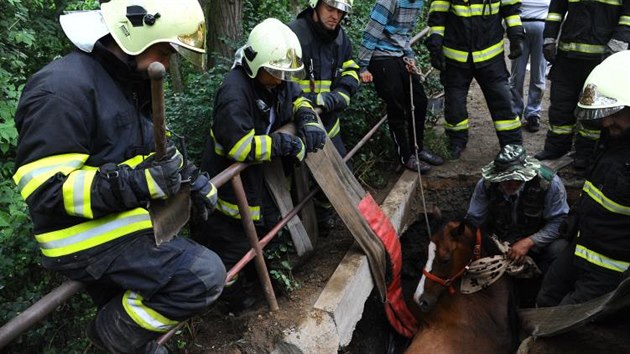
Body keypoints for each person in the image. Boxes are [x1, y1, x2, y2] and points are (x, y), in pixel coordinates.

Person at [11, 1, 226, 353]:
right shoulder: (61, 89)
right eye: (164, 50)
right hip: (76, 235)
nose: (167, 63)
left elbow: (150, 151)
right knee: (202, 276)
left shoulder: (126, 82)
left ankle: (134, 345)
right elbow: (46, 190)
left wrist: (188, 178)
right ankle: (111, 338)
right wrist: (139, 184)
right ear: (137, 36)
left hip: (117, 217)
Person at [191, 18, 325, 313]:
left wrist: (307, 120)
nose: (280, 79)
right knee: (233, 252)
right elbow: (238, 146)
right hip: (229, 199)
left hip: (257, 187)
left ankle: (257, 285)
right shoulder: (234, 92)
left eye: (283, 73)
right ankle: (236, 306)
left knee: (263, 236)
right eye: (275, 72)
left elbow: (297, 98)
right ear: (256, 65)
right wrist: (283, 144)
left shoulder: (274, 79)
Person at [537, 51, 630, 307]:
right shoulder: (612, 143)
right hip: (581, 246)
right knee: (546, 298)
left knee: (566, 323)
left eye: (615, 113)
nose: (606, 122)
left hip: (612, 267)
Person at [288, 0, 359, 234]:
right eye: (330, 9)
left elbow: (350, 70)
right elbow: (285, 86)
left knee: (339, 175)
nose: (335, 16)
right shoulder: (293, 36)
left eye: (340, 12)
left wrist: (341, 94)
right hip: (299, 127)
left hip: (330, 126)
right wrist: (316, 99)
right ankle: (294, 232)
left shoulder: (340, 38)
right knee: (295, 185)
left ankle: (325, 217)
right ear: (315, 6)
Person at [533, 0, 630, 169]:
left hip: (600, 59)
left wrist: (616, 45)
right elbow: (556, 9)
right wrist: (549, 39)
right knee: (560, 107)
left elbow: (627, 17)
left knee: (594, 111)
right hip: (567, 57)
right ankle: (556, 148)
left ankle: (586, 153)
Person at [425, 0, 525, 159]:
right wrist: (435, 47)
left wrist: (516, 36)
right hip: (456, 58)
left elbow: (511, 10)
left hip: (491, 57)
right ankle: (456, 142)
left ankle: (512, 145)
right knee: (455, 103)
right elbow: (438, 16)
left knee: (503, 100)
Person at [358, 0, 444, 174]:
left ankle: (418, 148)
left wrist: (410, 57)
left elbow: (406, 34)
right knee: (396, 103)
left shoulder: (418, 2)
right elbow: (372, 32)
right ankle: (406, 156)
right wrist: (363, 66)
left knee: (419, 101)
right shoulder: (389, 1)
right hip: (380, 55)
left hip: (399, 54)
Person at [466, 144, 569, 275]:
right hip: (500, 243)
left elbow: (559, 221)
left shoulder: (548, 184)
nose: (510, 183)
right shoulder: (486, 184)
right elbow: (474, 219)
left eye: (516, 179)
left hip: (538, 243)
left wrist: (529, 242)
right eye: (504, 179)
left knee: (559, 249)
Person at [508, 0, 551, 133]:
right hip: (520, 27)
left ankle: (532, 114)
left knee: (536, 75)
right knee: (518, 75)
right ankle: (518, 112)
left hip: (540, 26)